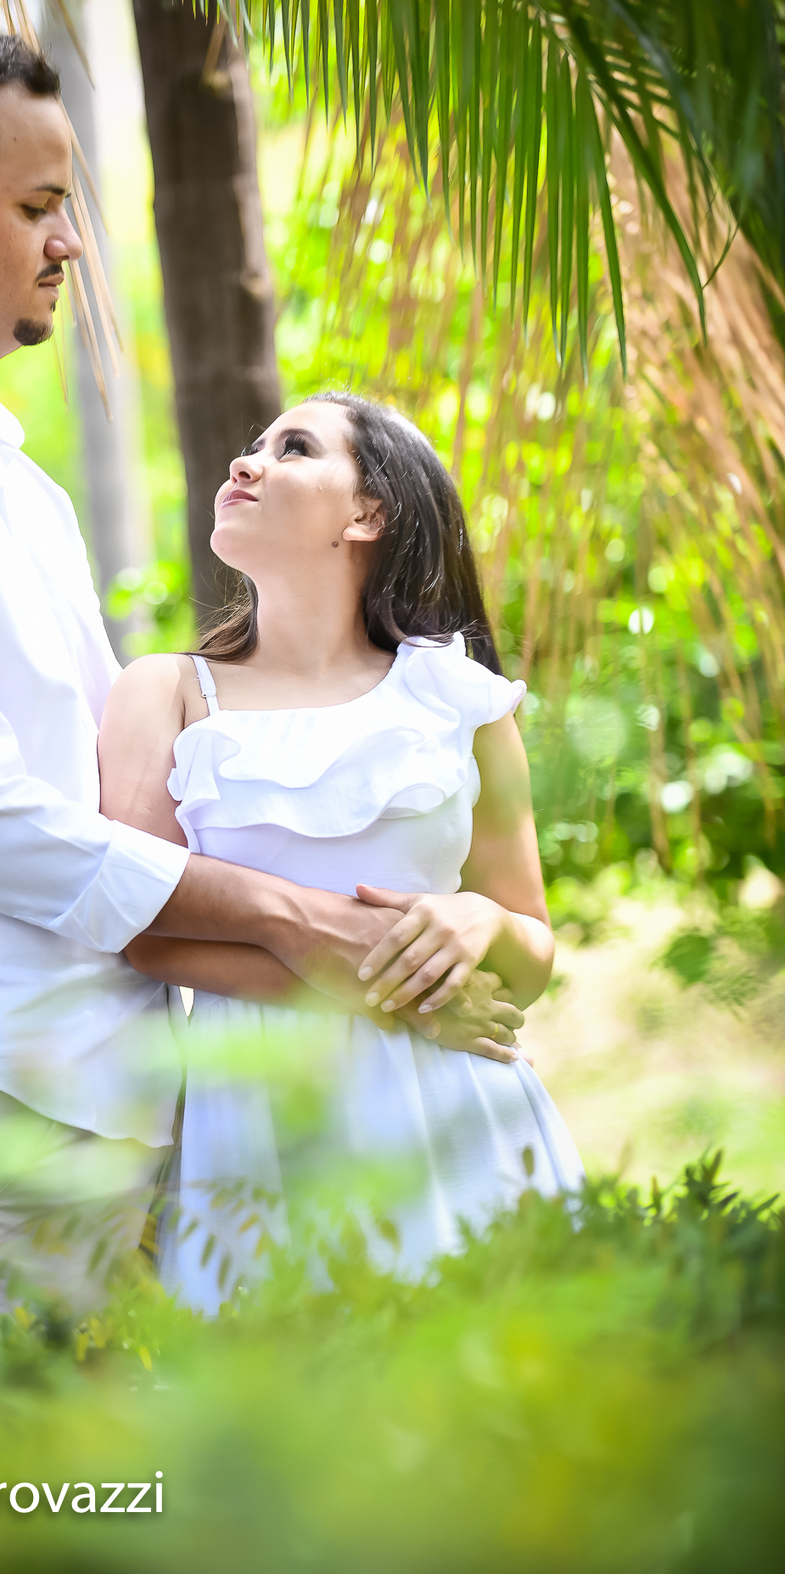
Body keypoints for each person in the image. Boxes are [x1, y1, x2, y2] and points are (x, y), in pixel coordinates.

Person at [0, 20, 522, 1324]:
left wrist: (403, 962)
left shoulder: (18, 487)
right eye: (39, 205)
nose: (72, 243)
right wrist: (304, 923)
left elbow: (130, 812)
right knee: (2, 1461)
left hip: (128, 1116)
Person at [99, 394, 585, 1312]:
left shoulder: (461, 698)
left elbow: (531, 951)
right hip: (261, 1117)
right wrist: (377, 994)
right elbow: (142, 929)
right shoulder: (164, 692)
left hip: (459, 1106)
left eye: (293, 448)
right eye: (251, 445)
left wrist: (479, 920)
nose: (246, 463)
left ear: (368, 513)